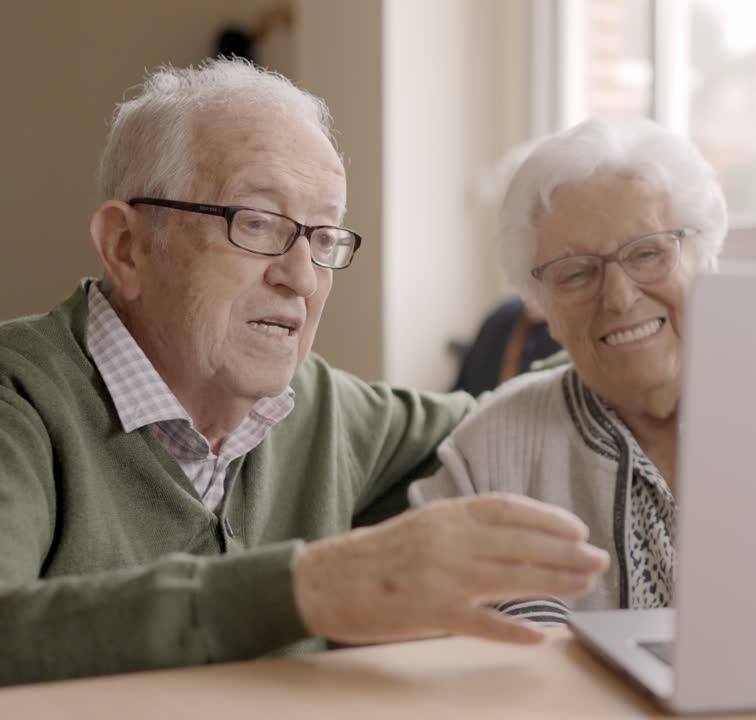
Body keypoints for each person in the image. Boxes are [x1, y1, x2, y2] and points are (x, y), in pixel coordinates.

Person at [0, 59, 608, 687]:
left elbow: (511, 411)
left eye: (323, 235)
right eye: (256, 223)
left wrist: (643, 316)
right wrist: (309, 587)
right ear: (127, 246)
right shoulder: (18, 398)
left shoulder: (322, 408)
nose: (301, 276)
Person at [409, 117, 727, 618]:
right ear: (542, 309)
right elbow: (418, 629)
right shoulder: (489, 454)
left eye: (648, 253)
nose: (619, 298)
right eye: (575, 273)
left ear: (704, 259)